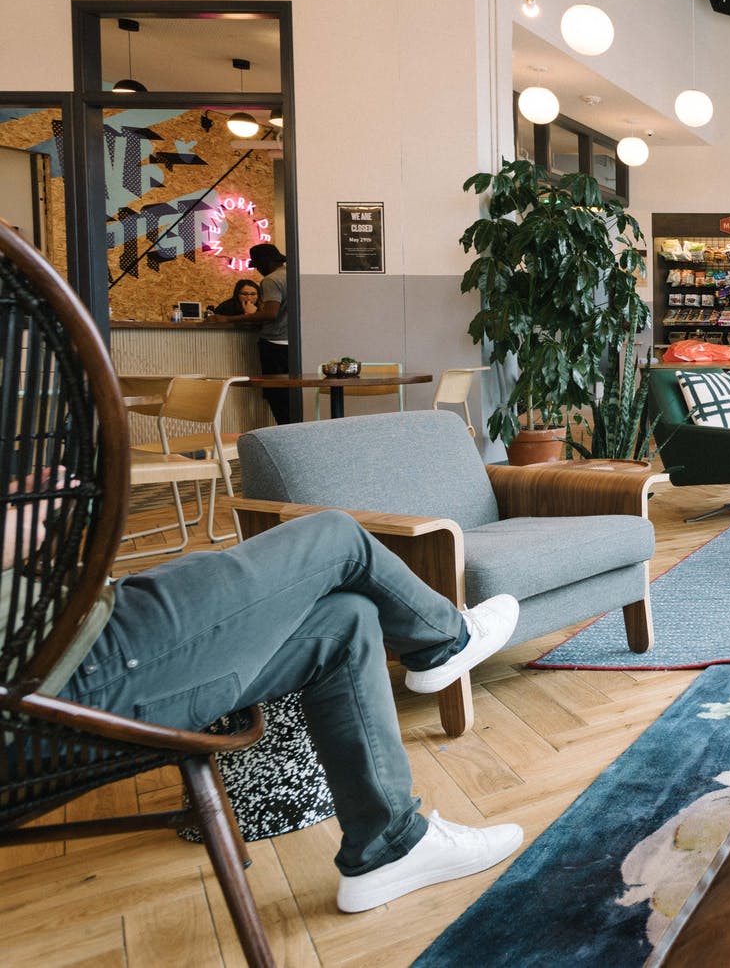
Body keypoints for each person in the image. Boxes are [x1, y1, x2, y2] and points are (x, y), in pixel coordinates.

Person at [8, 496, 524, 913]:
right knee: (337, 536)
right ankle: (447, 641)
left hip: (72, 651)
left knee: (346, 620)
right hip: (72, 675)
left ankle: (389, 845)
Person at [241, 242, 298, 424]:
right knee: (293, 395)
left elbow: (271, 313)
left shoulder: (271, 280)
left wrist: (227, 319)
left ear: (265, 262)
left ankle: (283, 433)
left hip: (274, 345)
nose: (258, 270)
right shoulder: (293, 275)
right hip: (294, 345)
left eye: (258, 265)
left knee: (277, 396)